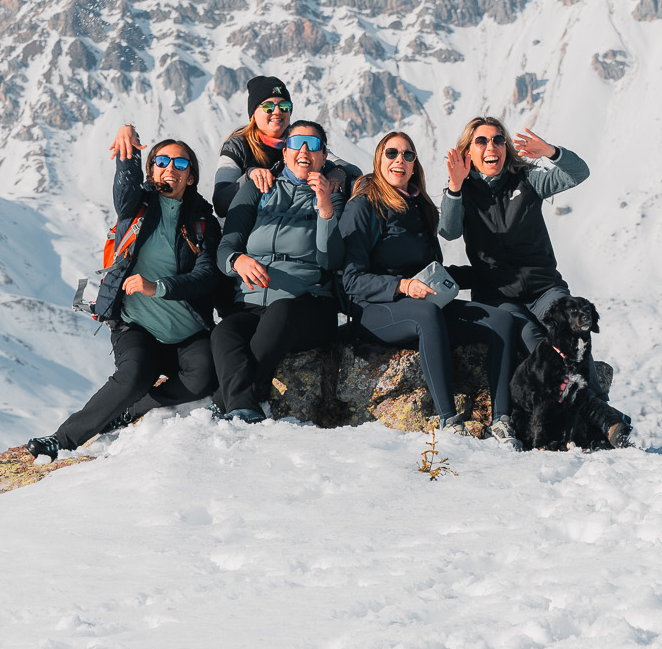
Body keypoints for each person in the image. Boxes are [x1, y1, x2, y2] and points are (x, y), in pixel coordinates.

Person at [27, 126, 218, 457]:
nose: (170, 169)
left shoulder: (203, 221)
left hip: (186, 331)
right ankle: (62, 439)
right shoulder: (136, 209)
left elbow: (206, 274)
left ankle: (133, 410)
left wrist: (158, 287)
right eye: (161, 161)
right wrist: (128, 146)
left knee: (203, 378)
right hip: (136, 326)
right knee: (133, 377)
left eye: (180, 164)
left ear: (191, 177)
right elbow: (125, 190)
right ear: (151, 169)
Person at [340, 132, 535, 442]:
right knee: (427, 315)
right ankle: (449, 420)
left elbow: (433, 273)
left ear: (415, 164)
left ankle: (502, 419)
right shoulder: (364, 206)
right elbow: (351, 279)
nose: (399, 161)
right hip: (374, 310)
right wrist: (403, 285)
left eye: (407, 155)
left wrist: (484, 274)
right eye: (391, 153)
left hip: (423, 302)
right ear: (379, 160)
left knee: (502, 321)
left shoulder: (420, 207)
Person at [210, 118, 344, 421]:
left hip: (307, 305)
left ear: (324, 157)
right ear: (284, 152)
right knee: (224, 333)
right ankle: (244, 405)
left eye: (314, 147)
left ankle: (226, 397)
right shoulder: (257, 189)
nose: (304, 152)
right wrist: (237, 261)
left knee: (281, 313)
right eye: (297, 143)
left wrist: (325, 208)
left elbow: (331, 260)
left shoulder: (332, 195)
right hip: (252, 304)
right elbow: (225, 248)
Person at [441, 116, 590, 343]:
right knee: (530, 337)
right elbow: (449, 232)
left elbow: (578, 173)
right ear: (468, 152)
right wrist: (455, 187)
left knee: (573, 332)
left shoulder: (526, 179)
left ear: (505, 147)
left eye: (498, 140)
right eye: (481, 141)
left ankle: (583, 380)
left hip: (546, 288)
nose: (491, 146)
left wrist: (550, 152)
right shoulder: (461, 191)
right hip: (498, 296)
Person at [213, 74, 358, 220]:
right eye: (268, 107)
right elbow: (220, 204)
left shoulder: (299, 143)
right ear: (253, 114)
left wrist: (339, 172)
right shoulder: (237, 146)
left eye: (284, 106)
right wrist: (248, 176)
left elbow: (352, 169)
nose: (277, 111)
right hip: (245, 228)